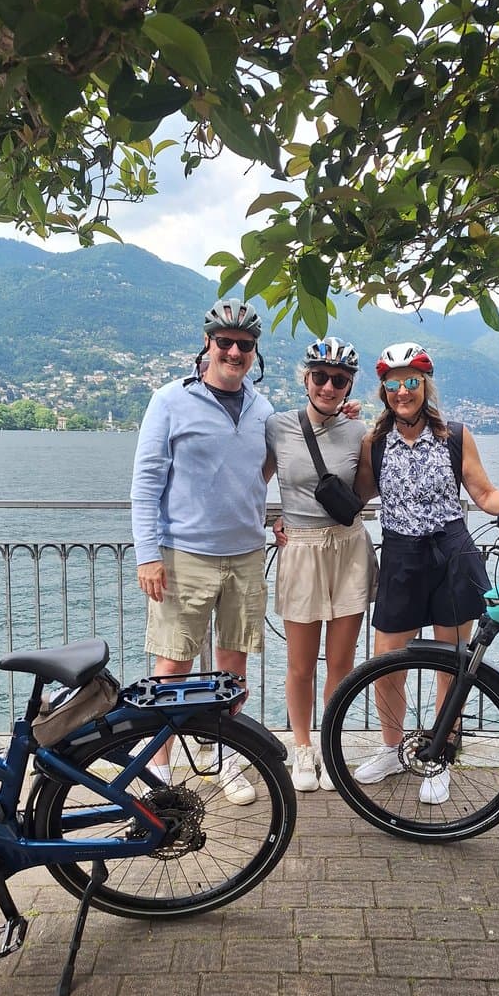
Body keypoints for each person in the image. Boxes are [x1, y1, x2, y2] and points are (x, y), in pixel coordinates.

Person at [352, 342, 499, 804]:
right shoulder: (372, 442)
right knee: (386, 663)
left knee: (453, 662)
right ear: (383, 389)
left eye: (411, 381)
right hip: (401, 554)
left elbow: (484, 494)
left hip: (452, 554)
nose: (403, 391)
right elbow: (354, 497)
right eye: (393, 383)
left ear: (425, 385)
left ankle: (441, 755)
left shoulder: (455, 435)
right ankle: (391, 747)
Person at [130, 298, 271, 805]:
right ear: (207, 343)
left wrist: (260, 514)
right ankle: (158, 770)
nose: (234, 351)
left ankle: (227, 760)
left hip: (245, 555)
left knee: (234, 671)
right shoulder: (169, 399)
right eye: (225, 342)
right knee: (172, 669)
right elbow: (146, 484)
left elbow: (269, 466)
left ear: (255, 352)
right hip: (182, 556)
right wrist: (148, 554)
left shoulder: (263, 407)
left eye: (245, 345)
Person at [266, 338, 378, 792]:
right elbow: (251, 481)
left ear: (350, 386)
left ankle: (330, 748)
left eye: (339, 380)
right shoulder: (277, 426)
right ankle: (301, 749)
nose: (328, 387)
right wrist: (271, 521)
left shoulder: (359, 433)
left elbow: (365, 491)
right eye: (320, 377)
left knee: (342, 662)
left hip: (349, 548)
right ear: (305, 378)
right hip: (302, 549)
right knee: (299, 664)